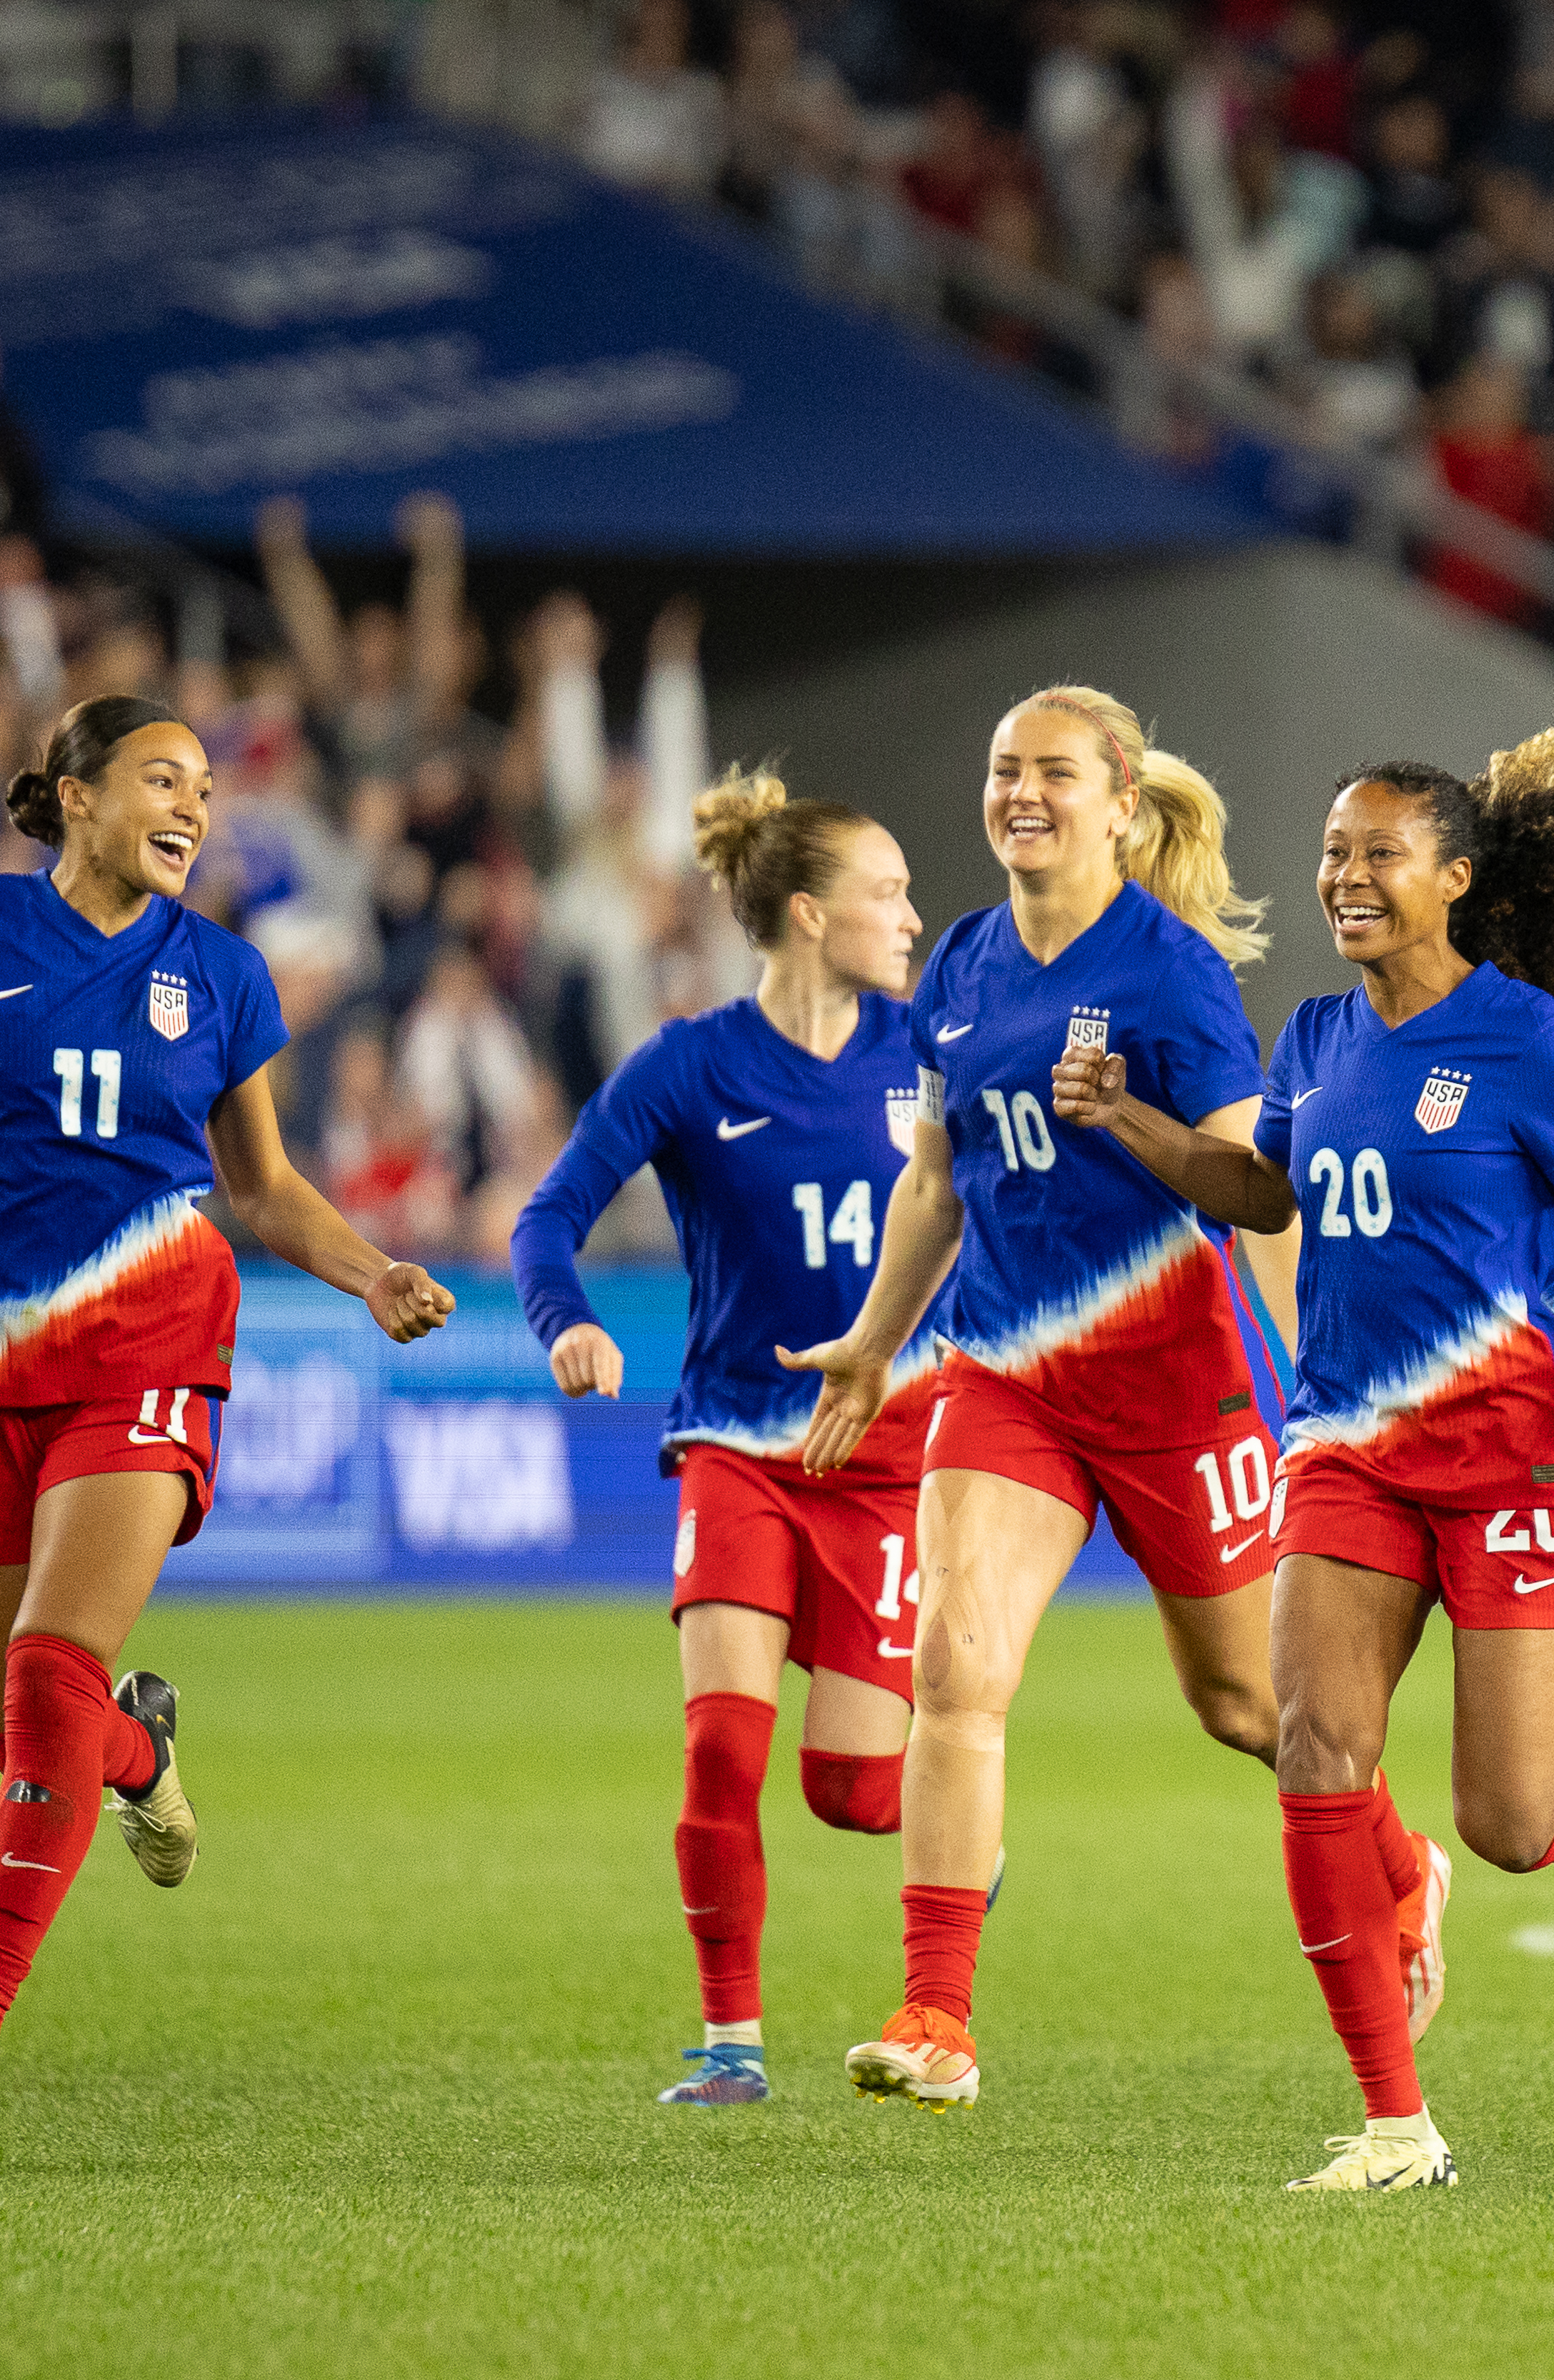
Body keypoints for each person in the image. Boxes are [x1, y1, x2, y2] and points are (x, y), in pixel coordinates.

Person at [1053, 723, 1554, 2192]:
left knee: (1512, 1825)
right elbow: (1255, 1187)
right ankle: (1394, 2124)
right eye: (1330, 851)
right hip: (1346, 1452)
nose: (1344, 876)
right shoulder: (1314, 1036)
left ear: (1454, 877)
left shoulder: (1526, 1038)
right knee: (1313, 1748)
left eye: (1378, 853)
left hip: (1506, 1461)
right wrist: (1122, 1113)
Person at [0, 695, 456, 2124]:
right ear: (73, 795)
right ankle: (142, 1748)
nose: (193, 805)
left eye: (204, 785)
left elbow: (256, 1183)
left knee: (45, 1661)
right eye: (160, 777)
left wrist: (369, 1269)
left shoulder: (225, 975)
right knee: (30, 1734)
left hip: (151, 1343)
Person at [781, 686, 1309, 2110]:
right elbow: (938, 1180)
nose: (1021, 791)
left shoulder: (1175, 974)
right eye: (1004, 767)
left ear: (1122, 804)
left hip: (1170, 1385)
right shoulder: (956, 963)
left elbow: (1246, 1188)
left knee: (1250, 1703)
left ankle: (1402, 1871)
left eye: (1054, 773)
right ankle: (936, 2013)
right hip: (1004, 1371)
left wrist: (1309, 1375)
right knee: (954, 1666)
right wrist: (874, 1341)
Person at [508, 771, 945, 2108]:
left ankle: (957, 1815)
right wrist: (566, 1318)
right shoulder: (691, 1065)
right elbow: (549, 1214)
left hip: (888, 1456)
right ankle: (730, 2047)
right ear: (809, 915)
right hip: (740, 1447)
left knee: (854, 1791)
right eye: (889, 893)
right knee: (722, 1749)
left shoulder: (932, 1053)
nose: (914, 916)